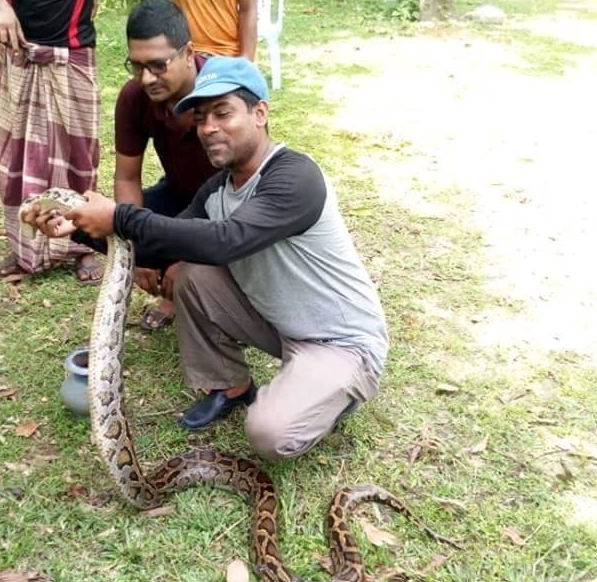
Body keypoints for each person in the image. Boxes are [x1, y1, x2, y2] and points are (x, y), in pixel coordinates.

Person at [25, 57, 389, 461]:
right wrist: (77, 227)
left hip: (340, 342)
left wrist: (118, 215)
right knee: (190, 271)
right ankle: (231, 385)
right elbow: (161, 249)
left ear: (260, 113)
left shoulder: (296, 178)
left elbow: (226, 240)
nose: (209, 128)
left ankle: (335, 394)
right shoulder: (216, 190)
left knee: (270, 433)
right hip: (282, 325)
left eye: (222, 113)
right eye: (200, 118)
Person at [0, 0, 164, 284]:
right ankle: (25, 245)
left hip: (74, 54)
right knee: (18, 159)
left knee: (79, 157)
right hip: (20, 54)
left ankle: (82, 247)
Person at [115, 0, 218, 331]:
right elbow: (127, 179)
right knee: (101, 223)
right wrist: (138, 251)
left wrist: (186, 258)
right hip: (178, 194)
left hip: (229, 207)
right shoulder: (134, 97)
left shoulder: (225, 92)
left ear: (188, 53)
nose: (146, 78)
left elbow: (247, 191)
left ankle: (191, 292)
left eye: (159, 65)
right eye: (137, 66)